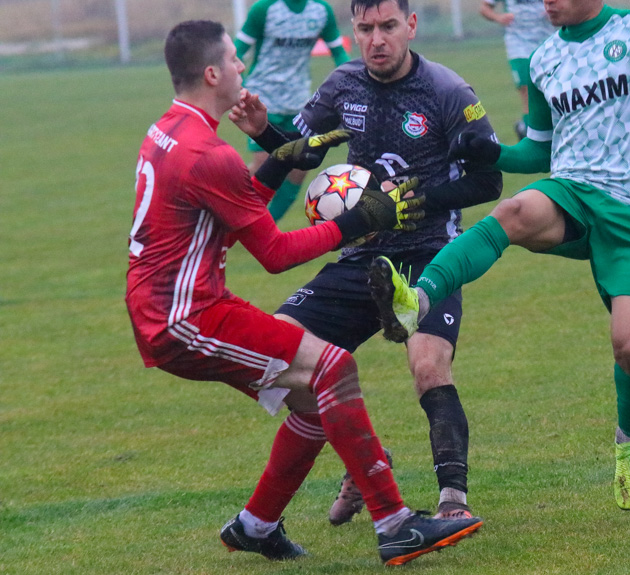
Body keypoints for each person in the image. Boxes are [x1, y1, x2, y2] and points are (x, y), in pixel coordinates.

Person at [125, 19, 481, 566]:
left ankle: (256, 525)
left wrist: (280, 158)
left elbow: (232, 198)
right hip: (186, 317)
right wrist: (362, 219)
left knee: (318, 397)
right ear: (214, 72)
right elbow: (274, 254)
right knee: (333, 369)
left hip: (175, 307)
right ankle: (395, 523)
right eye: (235, 60)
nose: (244, 67)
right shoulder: (209, 154)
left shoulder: (169, 131)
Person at [368, 0, 630, 511]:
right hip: (574, 191)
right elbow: (542, 153)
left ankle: (629, 440)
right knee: (514, 212)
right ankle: (417, 299)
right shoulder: (546, 58)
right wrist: (492, 152)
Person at [249, 0, 503, 526]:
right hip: (361, 254)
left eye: (388, 26)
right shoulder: (342, 84)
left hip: (431, 252)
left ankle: (453, 501)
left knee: (428, 365)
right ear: (354, 31)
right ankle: (372, 462)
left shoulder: (447, 90)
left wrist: (413, 199)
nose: (376, 39)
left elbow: (488, 182)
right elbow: (304, 152)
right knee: (278, 351)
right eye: (365, 29)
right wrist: (261, 134)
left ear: (410, 25)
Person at [235, 0, 350, 221]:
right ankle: (223, 203)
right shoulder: (264, 9)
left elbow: (339, 55)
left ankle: (262, 225)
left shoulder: (321, 11)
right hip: (262, 100)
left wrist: (357, 82)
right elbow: (237, 51)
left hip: (300, 105)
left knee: (299, 169)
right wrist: (235, 87)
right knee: (263, 166)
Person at [479, 0, 557, 139]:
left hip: (547, 42)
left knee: (550, 91)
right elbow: (485, 8)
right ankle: (530, 138)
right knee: (527, 91)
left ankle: (526, 127)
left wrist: (556, 10)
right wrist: (499, 17)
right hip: (519, 45)